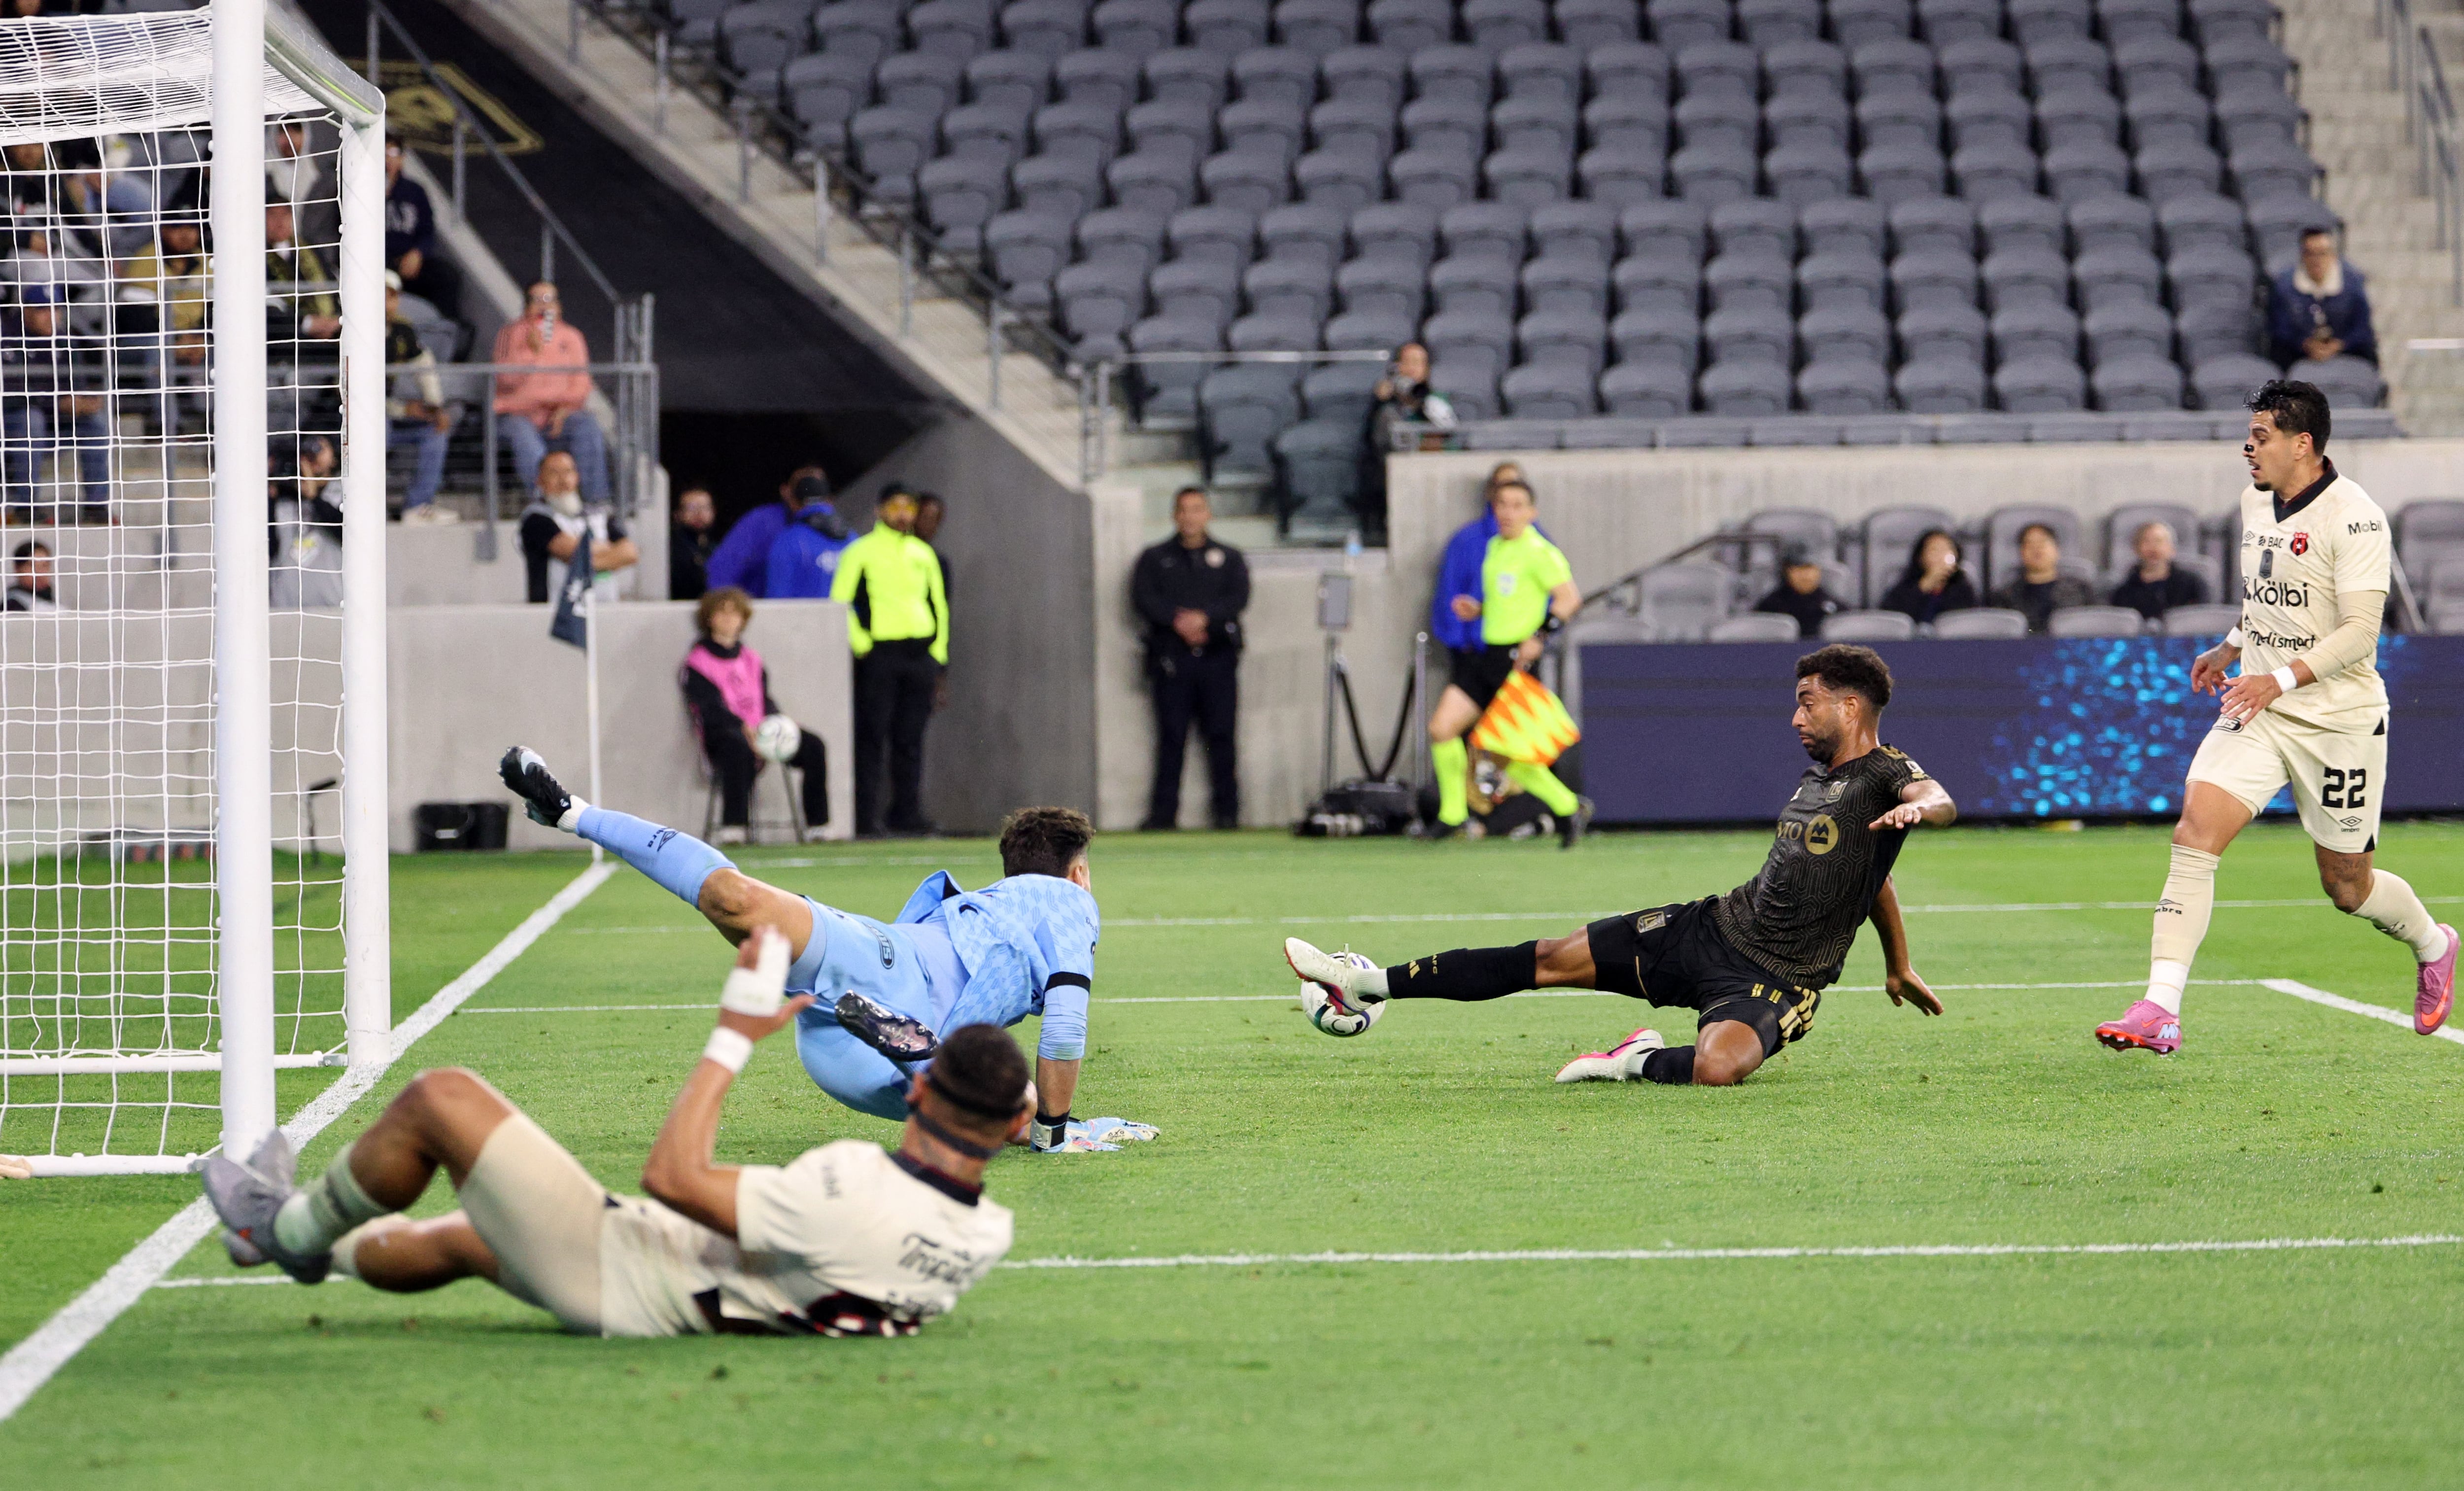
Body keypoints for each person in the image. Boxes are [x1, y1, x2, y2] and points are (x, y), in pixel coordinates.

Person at [202, 926, 1029, 1338]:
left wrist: (735, 1032)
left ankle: (285, 1230)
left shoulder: (853, 1185)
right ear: (1016, 1120)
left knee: (441, 1098)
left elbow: (674, 1178)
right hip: (688, 1293)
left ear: (919, 1097)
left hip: (628, 1273)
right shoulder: (987, 1234)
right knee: (464, 1238)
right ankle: (309, 1246)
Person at [1286, 645, 1956, 1087]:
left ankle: (1633, 1059)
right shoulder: (1819, 782)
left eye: (1807, 702)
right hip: (1711, 929)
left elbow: (1938, 797)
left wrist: (1920, 810)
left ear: (1849, 705)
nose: (1795, 717)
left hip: (1779, 982)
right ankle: (1368, 982)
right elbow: (1875, 879)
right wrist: (1897, 961)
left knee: (1718, 1071)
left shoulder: (1886, 772)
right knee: (1548, 958)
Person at [497, 748, 1157, 1150]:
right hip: (878, 1044)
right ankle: (933, 1071)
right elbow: (1066, 1023)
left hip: (866, 983)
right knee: (1015, 1112)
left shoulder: (991, 901)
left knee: (738, 902)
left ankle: (571, 813)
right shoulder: (1071, 901)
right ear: (1077, 873)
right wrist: (1053, 1136)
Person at [2095, 380, 2457, 1054]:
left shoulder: (2355, 517)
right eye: (2250, 435)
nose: (2248, 448)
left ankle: (2436, 945)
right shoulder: (2254, 501)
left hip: (2340, 718)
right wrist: (2232, 645)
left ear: (2304, 444)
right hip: (2260, 707)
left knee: (2347, 885)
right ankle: (2159, 1007)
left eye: (2261, 437)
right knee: (2195, 831)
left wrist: (2278, 679)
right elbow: (2268, 595)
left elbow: (2358, 633)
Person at [1424, 479, 1587, 846]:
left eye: (1517, 505)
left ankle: (1566, 806)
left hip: (1515, 661)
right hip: (1485, 654)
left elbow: (1569, 599)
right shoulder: (1495, 547)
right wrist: (1479, 609)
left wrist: (1540, 635)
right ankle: (1452, 814)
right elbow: (1509, 600)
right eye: (1502, 504)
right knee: (1442, 728)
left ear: (1532, 512)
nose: (1508, 512)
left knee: (1510, 754)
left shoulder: (1540, 551)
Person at [831, 486, 949, 837]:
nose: (902, 514)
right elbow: (840, 601)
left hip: (919, 654)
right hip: (881, 653)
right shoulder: (861, 551)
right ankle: (865, 817)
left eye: (908, 507)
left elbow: (938, 604)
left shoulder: (922, 552)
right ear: (880, 509)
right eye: (895, 506)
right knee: (872, 736)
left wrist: (938, 653)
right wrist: (862, 644)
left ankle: (907, 814)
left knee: (910, 738)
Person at [1131, 485, 1250, 831]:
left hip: (1217, 659)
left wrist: (1205, 619)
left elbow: (1238, 597)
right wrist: (1177, 621)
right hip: (1172, 662)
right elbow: (1144, 597)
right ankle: (1163, 814)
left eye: (1197, 509)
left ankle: (1227, 812)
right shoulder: (1155, 558)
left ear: (1208, 514)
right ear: (1175, 515)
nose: (1190, 516)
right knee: (1171, 738)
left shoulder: (1230, 558)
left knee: (1222, 737)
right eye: (1184, 510)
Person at [682, 587, 830, 843]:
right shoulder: (698, 662)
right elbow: (709, 709)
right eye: (722, 614)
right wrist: (742, 727)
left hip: (762, 730)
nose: (729, 620)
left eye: (735, 614)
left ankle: (818, 826)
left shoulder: (751, 659)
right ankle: (734, 827)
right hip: (725, 735)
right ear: (709, 619)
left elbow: (764, 699)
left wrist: (780, 721)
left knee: (814, 745)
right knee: (736, 749)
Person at [492, 280, 610, 506]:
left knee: (587, 426)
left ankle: (597, 503)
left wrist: (564, 409)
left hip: (560, 414)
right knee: (523, 436)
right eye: (538, 300)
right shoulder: (510, 334)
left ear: (559, 306)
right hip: (518, 415)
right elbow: (505, 380)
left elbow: (582, 384)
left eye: (550, 300)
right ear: (526, 306)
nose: (545, 307)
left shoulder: (572, 336)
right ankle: (548, 501)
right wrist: (531, 354)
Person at [0, 287, 109, 523]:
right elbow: (9, 393)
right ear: (26, 311)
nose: (52, 316)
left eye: (56, 309)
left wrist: (84, 401)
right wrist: (57, 402)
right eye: (43, 310)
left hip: (53, 421)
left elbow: (76, 384)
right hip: (12, 420)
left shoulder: (64, 340)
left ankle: (97, 505)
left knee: (96, 425)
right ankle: (25, 505)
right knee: (31, 421)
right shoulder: (7, 335)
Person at [1359, 341, 1456, 543]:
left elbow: (1449, 430)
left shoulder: (1435, 400)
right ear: (1397, 367)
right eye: (1407, 362)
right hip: (1394, 481)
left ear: (1427, 370)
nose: (1412, 368)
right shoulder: (1386, 407)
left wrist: (1420, 404)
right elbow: (1372, 443)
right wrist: (1380, 401)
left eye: (1418, 363)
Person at [1431, 462, 1526, 659]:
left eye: (1514, 487)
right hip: (1475, 651)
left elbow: (1556, 599)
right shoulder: (1467, 541)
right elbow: (1450, 593)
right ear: (1492, 493)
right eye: (1502, 490)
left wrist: (1537, 639)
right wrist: (1461, 643)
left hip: (1519, 653)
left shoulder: (1539, 546)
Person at [518, 450, 637, 604]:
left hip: (605, 609)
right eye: (554, 473)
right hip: (557, 614)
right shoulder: (536, 519)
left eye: (568, 472)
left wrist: (584, 565)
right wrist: (610, 552)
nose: (563, 480)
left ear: (577, 477)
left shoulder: (599, 514)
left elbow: (630, 553)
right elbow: (572, 551)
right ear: (540, 480)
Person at [383, 271, 455, 525]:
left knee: (436, 430)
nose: (384, 302)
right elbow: (352, 393)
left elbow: (423, 365)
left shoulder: (402, 329)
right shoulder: (352, 330)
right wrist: (402, 411)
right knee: (378, 428)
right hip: (343, 414)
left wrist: (435, 406)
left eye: (390, 296)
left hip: (387, 411)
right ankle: (365, 504)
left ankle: (417, 506)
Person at [705, 465, 828, 597]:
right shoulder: (762, 523)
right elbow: (722, 570)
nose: (809, 494)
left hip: (819, 612)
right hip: (761, 610)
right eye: (803, 488)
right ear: (786, 491)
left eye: (816, 488)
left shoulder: (838, 532)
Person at [2268, 228, 2377, 370]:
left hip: (2346, 351)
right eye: (2310, 254)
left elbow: (2362, 328)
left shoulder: (2353, 284)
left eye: (2322, 254)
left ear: (2333, 256)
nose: (2316, 261)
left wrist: (2339, 345)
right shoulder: (2284, 286)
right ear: (2302, 256)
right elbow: (2280, 328)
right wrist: (2305, 344)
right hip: (2297, 353)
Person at [383, 136, 461, 314]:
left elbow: (427, 230)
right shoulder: (362, 188)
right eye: (383, 153)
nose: (387, 159)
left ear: (402, 158)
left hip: (410, 260)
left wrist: (417, 253)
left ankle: (444, 331)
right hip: (379, 262)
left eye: (393, 153)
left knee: (447, 276)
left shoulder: (415, 191)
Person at [270, 433, 345, 610]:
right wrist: (270, 496)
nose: (311, 455)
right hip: (285, 609)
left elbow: (347, 533)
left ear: (335, 458)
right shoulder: (283, 499)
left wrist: (314, 497)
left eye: (320, 449)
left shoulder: (343, 492)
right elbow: (268, 549)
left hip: (332, 607)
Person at [1988, 523, 2099, 634]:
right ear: (2021, 552)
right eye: (2029, 544)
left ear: (2057, 549)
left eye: (2043, 542)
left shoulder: (2082, 590)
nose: (2037, 549)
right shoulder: (2005, 596)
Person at [763, 475, 855, 599]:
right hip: (848, 619)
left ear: (794, 503)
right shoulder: (853, 539)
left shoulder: (787, 541)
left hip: (805, 618)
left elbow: (777, 599)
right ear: (829, 500)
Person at [2108, 520, 2210, 621]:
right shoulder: (2123, 593)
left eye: (2159, 541)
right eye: (2146, 542)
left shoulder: (2194, 585)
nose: (2153, 548)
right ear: (2136, 549)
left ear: (2172, 549)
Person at [1877, 529, 1980, 625]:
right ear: (1921, 557)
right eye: (1934, 551)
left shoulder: (1963, 588)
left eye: (1947, 550)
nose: (1941, 557)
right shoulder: (1905, 587)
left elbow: (1968, 621)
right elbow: (1891, 619)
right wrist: (1924, 586)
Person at [1753, 546, 1847, 637]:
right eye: (1799, 569)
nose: (1806, 576)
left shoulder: (1833, 604)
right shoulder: (1770, 606)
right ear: (1787, 572)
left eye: (1810, 568)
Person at [670, 483, 717, 601]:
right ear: (677, 515)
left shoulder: (718, 548)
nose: (699, 514)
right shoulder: (671, 550)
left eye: (705, 508)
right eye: (692, 508)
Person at [6, 539, 55, 612]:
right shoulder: (11, 606)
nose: (40, 572)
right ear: (18, 569)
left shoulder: (54, 602)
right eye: (32, 566)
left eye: (44, 565)